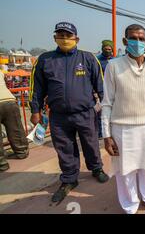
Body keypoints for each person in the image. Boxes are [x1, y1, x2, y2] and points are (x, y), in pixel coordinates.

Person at [30, 22, 109, 203]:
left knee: (91, 143)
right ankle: (69, 179)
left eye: (68, 35)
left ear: (76, 38)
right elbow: (37, 89)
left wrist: (106, 107)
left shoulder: (88, 58)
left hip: (85, 112)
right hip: (58, 116)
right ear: (55, 37)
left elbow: (100, 85)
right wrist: (35, 111)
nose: (64, 39)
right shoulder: (45, 60)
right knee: (64, 148)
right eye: (61, 35)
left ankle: (96, 168)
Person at [102, 24, 145, 214]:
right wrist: (106, 135)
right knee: (125, 171)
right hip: (121, 129)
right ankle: (130, 205)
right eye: (133, 38)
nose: (137, 42)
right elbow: (107, 103)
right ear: (125, 41)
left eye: (141, 39)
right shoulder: (113, 66)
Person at [0, 71, 29, 172]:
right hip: (9, 100)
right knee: (16, 129)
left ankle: (2, 163)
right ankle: (22, 152)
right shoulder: (1, 72)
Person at [96, 40, 115, 139]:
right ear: (102, 48)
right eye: (106, 49)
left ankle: (111, 131)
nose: (107, 50)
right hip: (101, 90)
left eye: (109, 49)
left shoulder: (114, 60)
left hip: (113, 90)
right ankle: (100, 132)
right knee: (101, 112)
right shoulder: (97, 60)